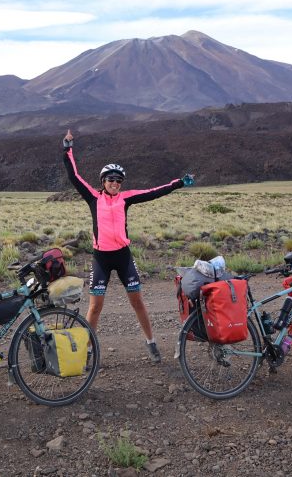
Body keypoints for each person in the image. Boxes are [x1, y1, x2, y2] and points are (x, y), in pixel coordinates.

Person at [62, 129, 194, 363]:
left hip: (123, 256)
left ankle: (151, 342)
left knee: (137, 302)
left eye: (118, 180)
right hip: (101, 258)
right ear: (103, 181)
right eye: (111, 179)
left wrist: (178, 183)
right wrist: (67, 148)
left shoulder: (127, 198)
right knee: (94, 308)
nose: (115, 183)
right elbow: (74, 176)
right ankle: (88, 348)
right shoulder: (93, 197)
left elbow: (154, 192)